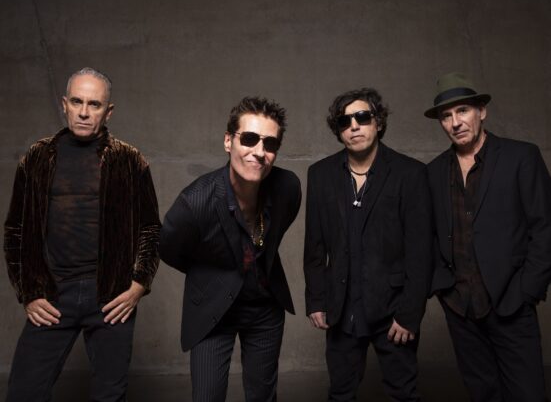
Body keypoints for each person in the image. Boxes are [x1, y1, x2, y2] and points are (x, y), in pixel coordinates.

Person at [3, 67, 161, 401]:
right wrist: (28, 291)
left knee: (109, 395)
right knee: (24, 392)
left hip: (111, 295)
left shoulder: (129, 160)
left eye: (94, 104)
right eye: (77, 102)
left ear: (108, 111)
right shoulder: (37, 157)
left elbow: (150, 228)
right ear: (65, 104)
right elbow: (15, 230)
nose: (84, 112)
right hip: (52, 294)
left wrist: (138, 285)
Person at [160, 96, 301, 402]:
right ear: (228, 141)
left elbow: (275, 233)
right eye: (249, 139)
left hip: (264, 308)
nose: (259, 152)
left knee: (263, 397)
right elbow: (169, 249)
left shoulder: (287, 187)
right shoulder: (195, 202)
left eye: (270, 144)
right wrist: (213, 271)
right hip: (213, 310)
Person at [425, 72, 551, 402]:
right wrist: (442, 288)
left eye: (462, 111)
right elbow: (429, 235)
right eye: (446, 116)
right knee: (482, 395)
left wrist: (528, 290)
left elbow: (545, 227)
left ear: (482, 111)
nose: (455, 122)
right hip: (460, 307)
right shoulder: (433, 172)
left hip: (511, 303)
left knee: (528, 395)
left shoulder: (521, 157)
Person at [304, 87, 432, 401]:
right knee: (340, 393)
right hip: (341, 309)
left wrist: (409, 313)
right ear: (338, 130)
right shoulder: (320, 175)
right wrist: (316, 300)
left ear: (378, 122)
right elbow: (315, 245)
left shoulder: (411, 174)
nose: (354, 126)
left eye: (362, 117)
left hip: (393, 311)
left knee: (404, 394)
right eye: (344, 121)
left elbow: (421, 252)